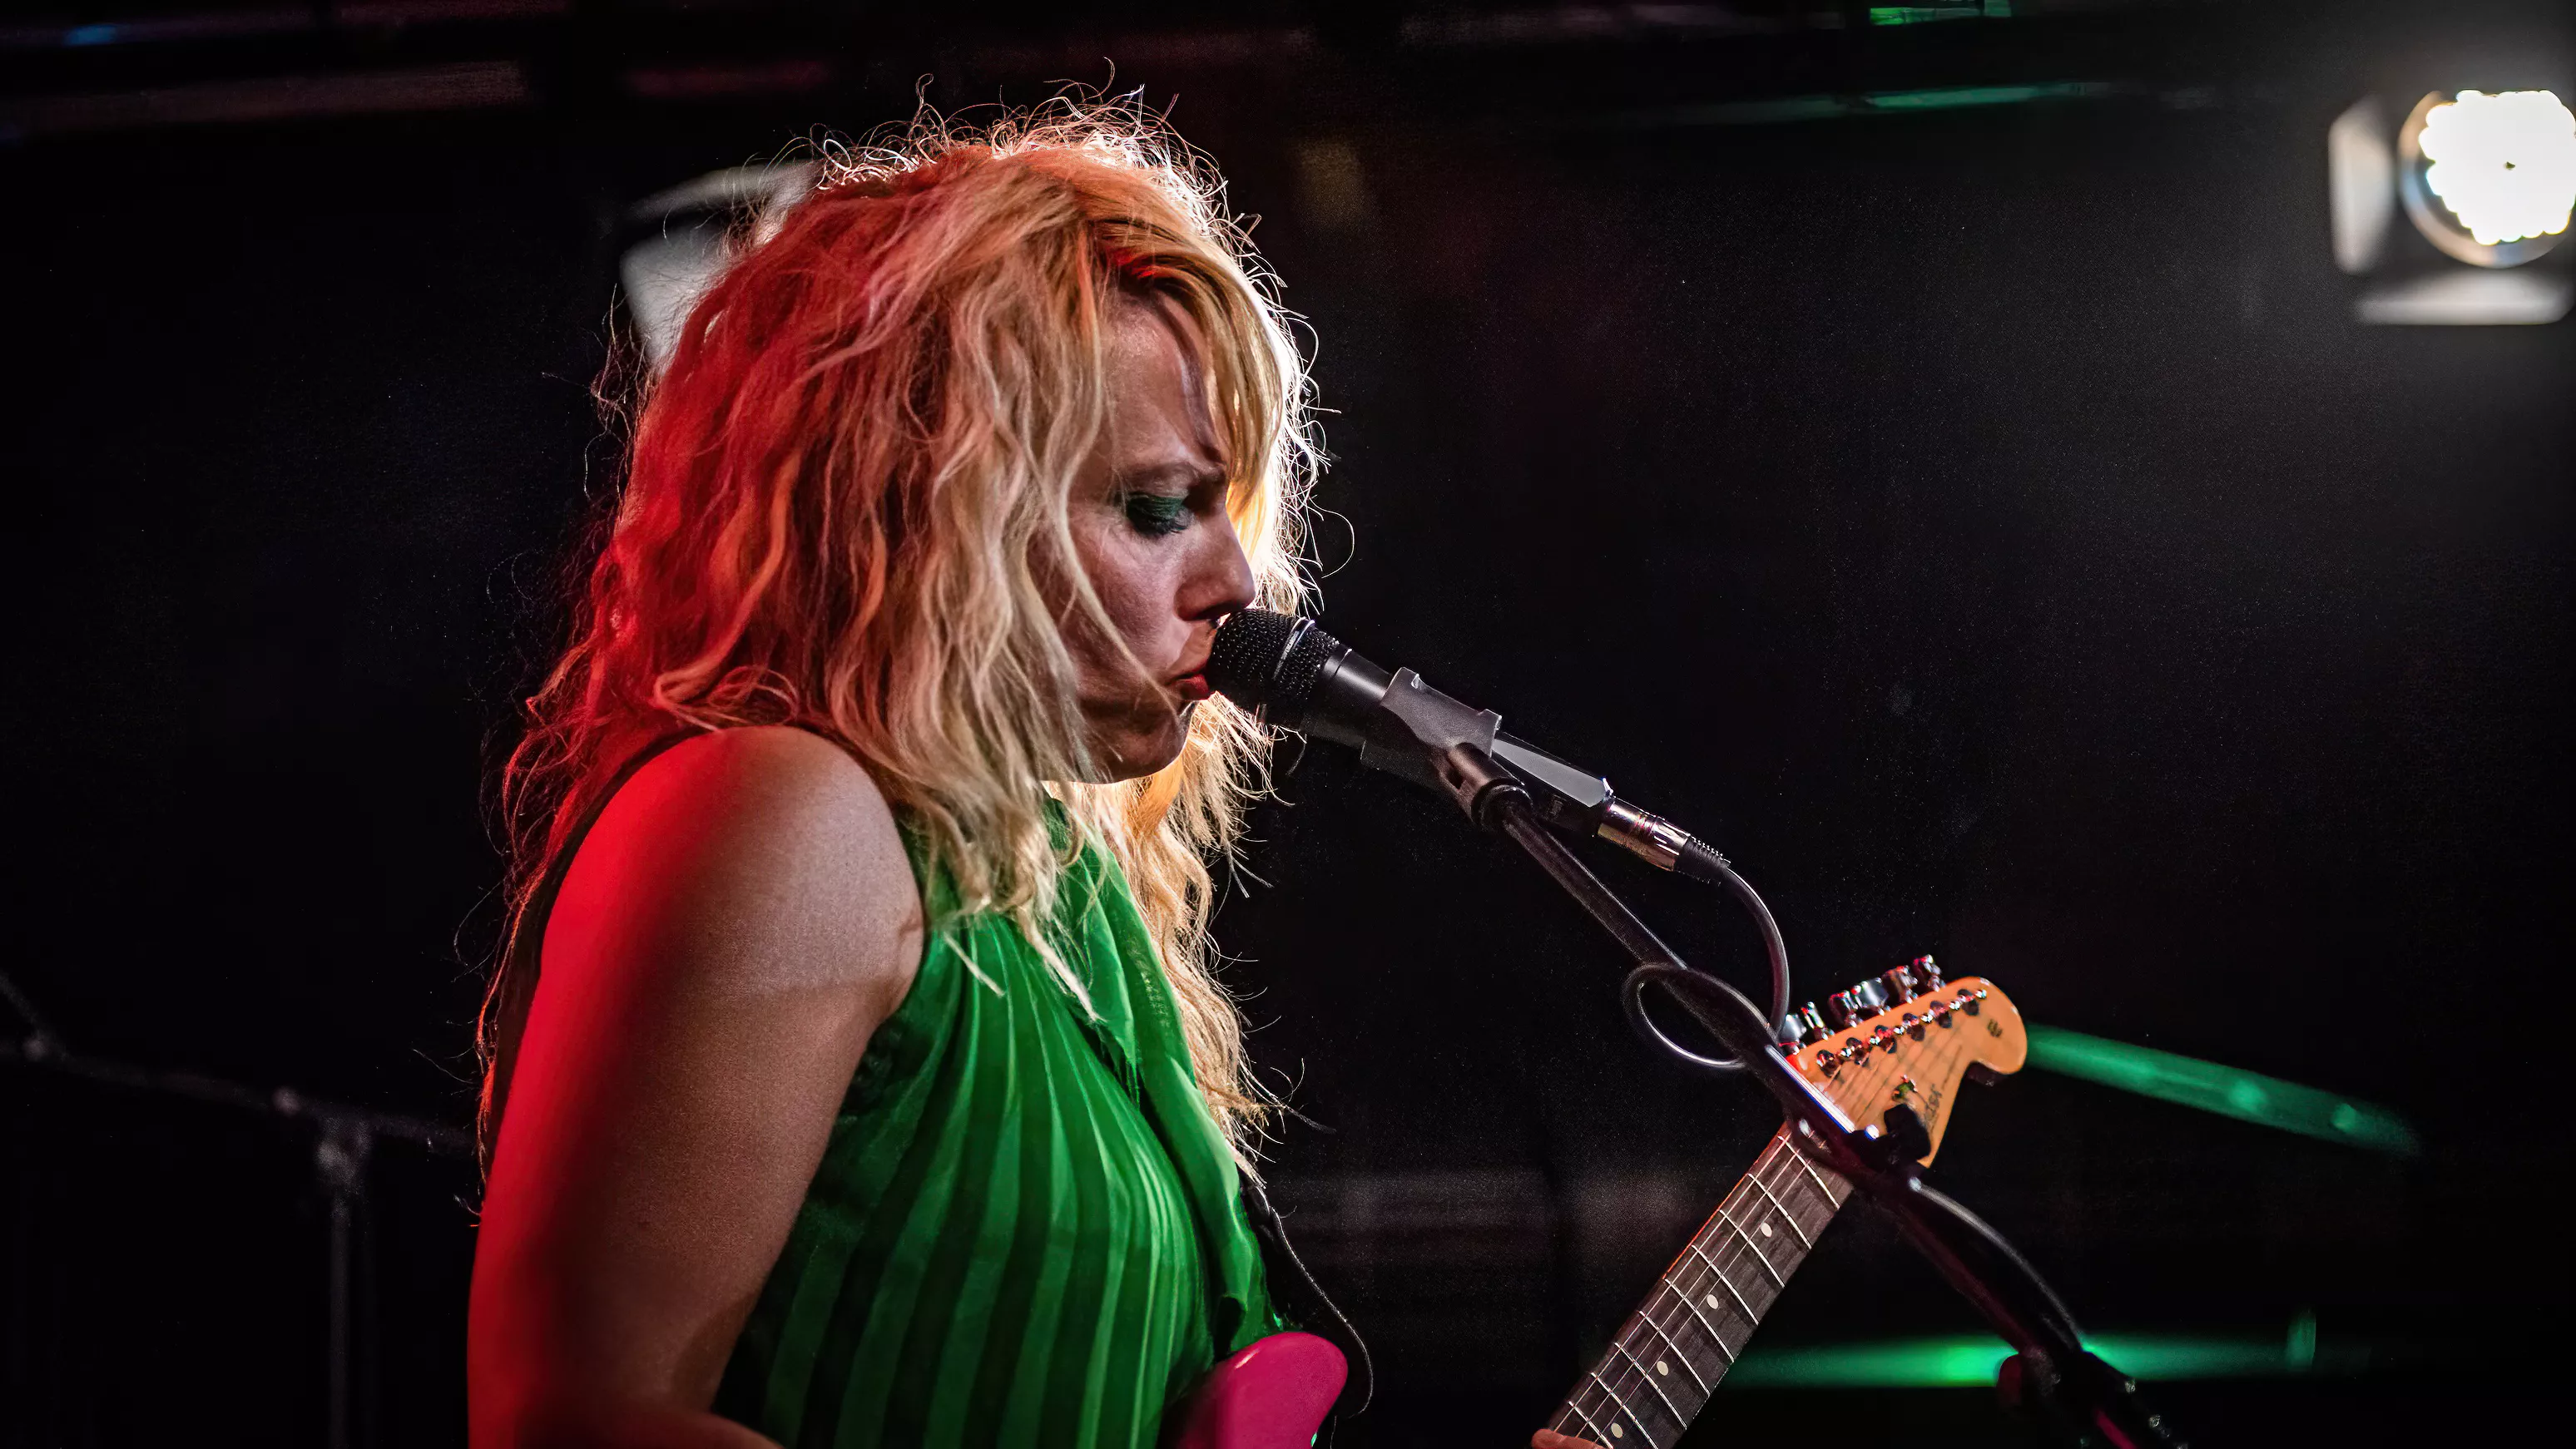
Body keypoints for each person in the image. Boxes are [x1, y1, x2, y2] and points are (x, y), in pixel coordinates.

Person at [467, 104, 1323, 1448]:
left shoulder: (1064, 891)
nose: (1237, 580)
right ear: (932, 507)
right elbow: (572, 1419)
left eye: (1228, 507)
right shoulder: (788, 810)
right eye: (1158, 508)